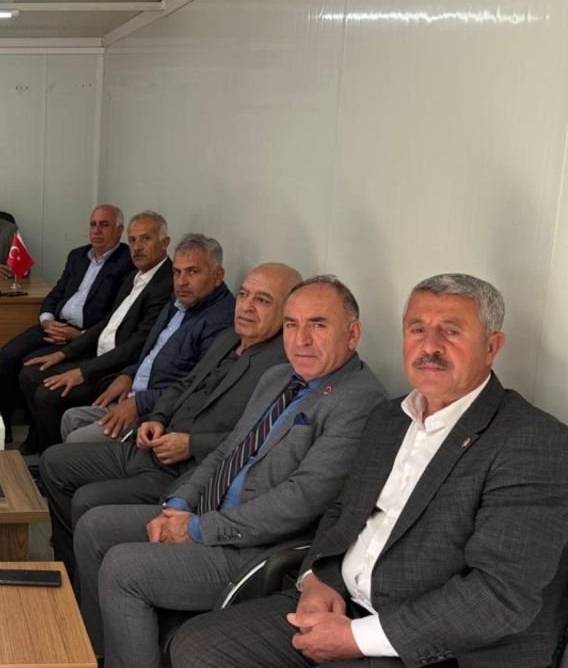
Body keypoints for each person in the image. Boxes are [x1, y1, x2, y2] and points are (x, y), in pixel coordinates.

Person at [170, 274, 568, 668]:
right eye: (417, 329)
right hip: (341, 605)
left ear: (492, 346)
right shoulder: (390, 418)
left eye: (451, 331)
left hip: (434, 649)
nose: (430, 345)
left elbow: (499, 597)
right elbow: (341, 512)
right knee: (195, 645)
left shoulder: (533, 441)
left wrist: (356, 638)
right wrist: (315, 579)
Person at [76, 275, 387, 667]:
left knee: (124, 569)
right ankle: (94, 653)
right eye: (292, 325)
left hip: (253, 548)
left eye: (318, 325)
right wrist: (178, 506)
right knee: (94, 527)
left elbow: (300, 501)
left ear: (353, 334)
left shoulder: (360, 401)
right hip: (207, 513)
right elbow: (228, 450)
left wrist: (195, 529)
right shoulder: (278, 377)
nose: (301, 339)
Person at [39, 262, 299, 576]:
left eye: (263, 300)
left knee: (87, 501)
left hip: (183, 472)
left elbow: (259, 441)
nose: (246, 306)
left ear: (288, 311)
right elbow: (184, 384)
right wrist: (158, 417)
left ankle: (80, 579)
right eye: (244, 294)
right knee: (53, 461)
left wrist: (191, 444)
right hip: (150, 446)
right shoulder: (229, 338)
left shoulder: (282, 367)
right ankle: (69, 565)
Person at [41, 233, 237, 448]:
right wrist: (128, 374)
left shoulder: (220, 321)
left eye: (193, 272)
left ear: (218, 275)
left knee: (76, 440)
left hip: (158, 414)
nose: (181, 282)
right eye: (177, 272)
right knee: (71, 418)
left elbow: (196, 388)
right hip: (135, 391)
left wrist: (139, 404)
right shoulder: (178, 301)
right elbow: (150, 351)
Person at [17, 211, 173, 452]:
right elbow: (107, 323)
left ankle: (55, 457)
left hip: (117, 369)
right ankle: (44, 445)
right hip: (96, 355)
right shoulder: (134, 275)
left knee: (47, 395)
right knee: (30, 374)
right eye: (132, 240)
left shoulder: (166, 284)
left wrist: (82, 372)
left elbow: (137, 344)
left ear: (165, 242)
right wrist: (63, 354)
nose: (137, 247)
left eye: (146, 239)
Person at [0, 205, 133, 442]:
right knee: (7, 355)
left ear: (119, 231)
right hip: (54, 325)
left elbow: (115, 316)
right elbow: (56, 293)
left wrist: (80, 335)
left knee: (30, 366)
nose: (97, 230)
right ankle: (1, 428)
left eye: (104, 225)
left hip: (82, 337)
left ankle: (37, 433)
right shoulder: (78, 256)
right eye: (93, 224)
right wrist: (47, 320)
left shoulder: (127, 264)